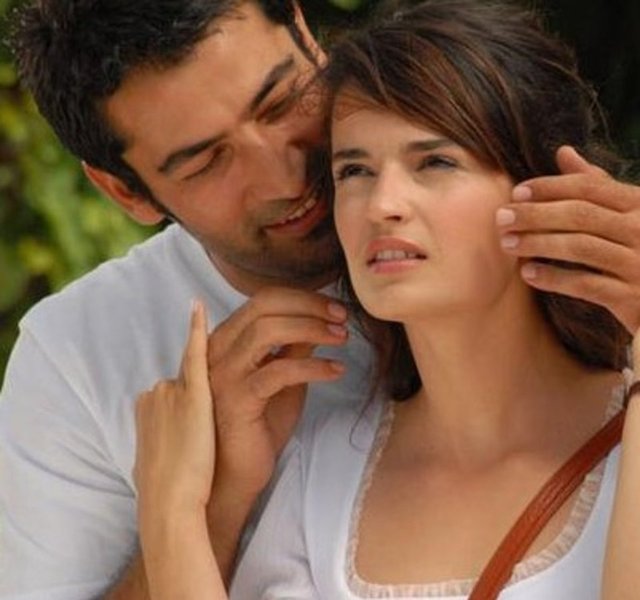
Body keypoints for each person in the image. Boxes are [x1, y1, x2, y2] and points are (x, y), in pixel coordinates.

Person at [1, 0, 640, 598]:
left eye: (281, 102)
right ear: (125, 192)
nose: (287, 178)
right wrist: (199, 507)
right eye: (206, 162)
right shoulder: (79, 361)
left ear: (307, 34)